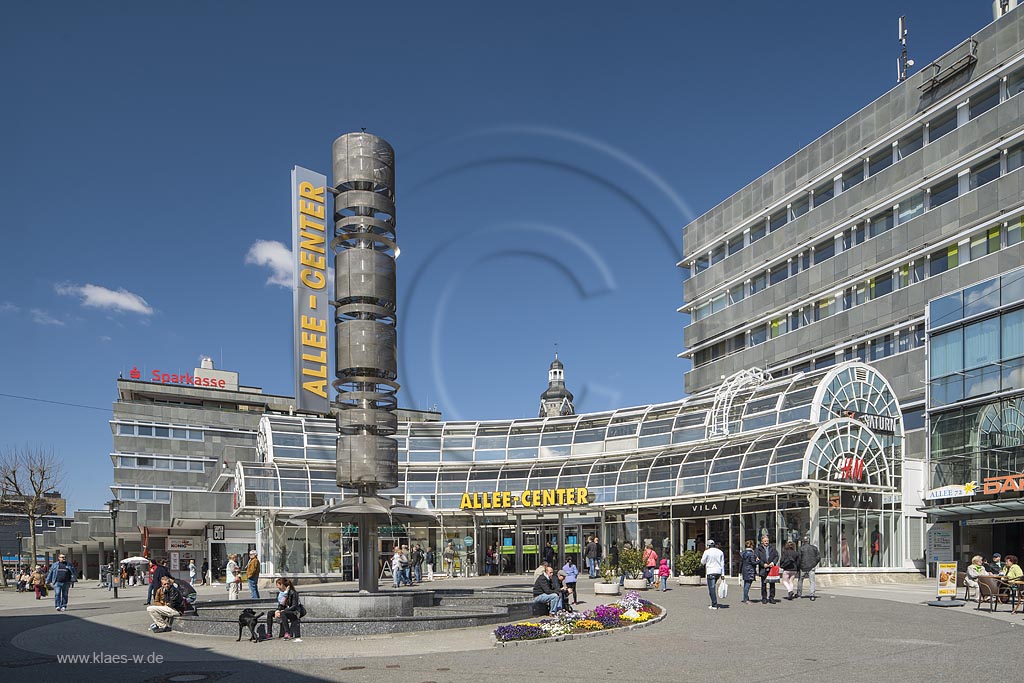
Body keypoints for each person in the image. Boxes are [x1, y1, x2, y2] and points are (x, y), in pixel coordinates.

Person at [266, 577, 304, 641]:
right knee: (270, 613)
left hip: (294, 612)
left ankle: (287, 633)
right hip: (286, 611)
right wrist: (277, 610)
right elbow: (281, 604)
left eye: (279, 585)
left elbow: (294, 606)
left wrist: (284, 610)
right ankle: (269, 633)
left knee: (283, 613)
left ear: (283, 585)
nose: (278, 587)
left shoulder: (293, 593)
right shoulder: (282, 593)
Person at [755, 535, 780, 604]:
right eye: (765, 541)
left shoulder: (772, 548)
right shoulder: (758, 549)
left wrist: (773, 563)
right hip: (763, 568)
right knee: (763, 584)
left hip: (771, 568)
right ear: (762, 541)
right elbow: (757, 558)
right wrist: (763, 564)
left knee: (772, 584)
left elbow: (776, 556)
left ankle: (771, 598)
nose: (766, 542)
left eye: (767, 541)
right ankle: (764, 598)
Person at [701, 539, 725, 610]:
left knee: (711, 588)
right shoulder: (720, 552)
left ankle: (714, 604)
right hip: (718, 571)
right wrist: (723, 574)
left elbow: (702, 561)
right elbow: (722, 563)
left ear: (708, 545)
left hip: (710, 571)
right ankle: (713, 603)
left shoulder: (707, 552)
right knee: (713, 587)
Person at [797, 535, 821, 601]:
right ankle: (812, 595)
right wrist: (814, 563)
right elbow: (818, 557)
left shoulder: (801, 548)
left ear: (803, 541)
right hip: (811, 566)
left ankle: (799, 594)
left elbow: (799, 558)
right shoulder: (814, 548)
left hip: (803, 567)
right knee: (812, 581)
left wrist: (799, 566)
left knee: (800, 580)